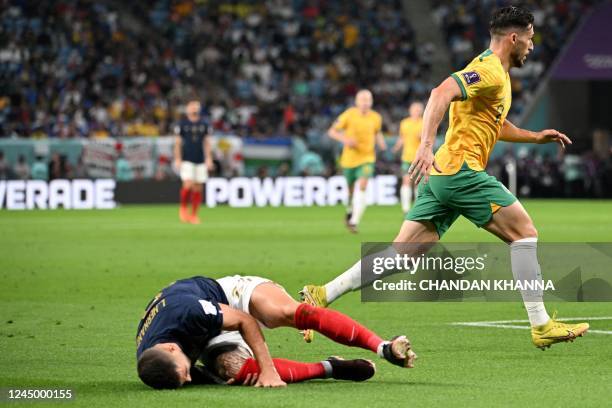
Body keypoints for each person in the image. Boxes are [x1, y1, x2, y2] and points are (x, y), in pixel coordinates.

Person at [301, 6, 588, 350]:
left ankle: (322, 294)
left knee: (401, 255)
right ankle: (541, 324)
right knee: (524, 234)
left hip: (443, 176)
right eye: (529, 38)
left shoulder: (490, 70)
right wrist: (424, 145)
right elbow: (439, 93)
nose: (532, 45)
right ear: (514, 37)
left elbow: (493, 123)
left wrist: (534, 136)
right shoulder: (490, 71)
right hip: (461, 172)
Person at [136, 276, 416, 389]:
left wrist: (268, 370)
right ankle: (331, 368)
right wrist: (215, 376)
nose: (189, 377)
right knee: (234, 369)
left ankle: (383, 347)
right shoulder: (152, 358)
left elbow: (244, 320)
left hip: (227, 296)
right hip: (207, 331)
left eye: (184, 372)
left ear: (171, 349)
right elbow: (187, 372)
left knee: (283, 313)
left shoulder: (186, 312)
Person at [328, 89, 386, 233]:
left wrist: (382, 144)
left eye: (368, 100)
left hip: (367, 158)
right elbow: (332, 131)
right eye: (362, 100)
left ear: (371, 102)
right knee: (350, 190)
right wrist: (345, 139)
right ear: (356, 101)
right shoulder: (348, 115)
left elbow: (377, 132)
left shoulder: (376, 117)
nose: (365, 103)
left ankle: (354, 221)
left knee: (362, 185)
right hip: (349, 160)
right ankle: (349, 209)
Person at [174, 100, 213, 225]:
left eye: (196, 106)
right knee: (188, 184)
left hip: (200, 159)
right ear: (187, 109)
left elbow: (206, 142)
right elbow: (178, 143)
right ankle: (183, 208)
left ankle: (194, 215)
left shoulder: (204, 124)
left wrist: (208, 158)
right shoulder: (182, 124)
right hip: (187, 159)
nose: (194, 108)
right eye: (192, 106)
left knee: (198, 188)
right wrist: (178, 158)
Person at [393, 102, 424, 213]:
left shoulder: (424, 123)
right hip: (406, 157)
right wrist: (397, 147)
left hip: (420, 158)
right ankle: (405, 208)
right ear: (410, 110)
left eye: (418, 110)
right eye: (414, 109)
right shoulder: (404, 123)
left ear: (421, 111)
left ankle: (416, 207)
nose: (416, 111)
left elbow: (429, 140)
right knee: (406, 181)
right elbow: (402, 137)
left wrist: (422, 137)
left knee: (418, 183)